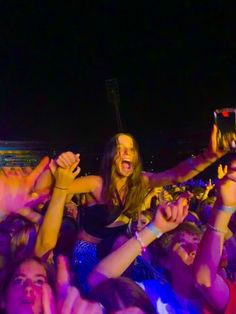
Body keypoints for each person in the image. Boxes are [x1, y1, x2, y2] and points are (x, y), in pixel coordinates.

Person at [56, 125, 225, 294]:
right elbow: (54, 188)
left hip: (118, 252)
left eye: (131, 149)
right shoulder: (95, 183)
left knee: (154, 282)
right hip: (89, 254)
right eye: (119, 149)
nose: (126, 153)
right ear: (110, 156)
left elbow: (176, 175)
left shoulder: (140, 182)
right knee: (95, 293)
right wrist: (60, 166)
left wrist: (208, 156)